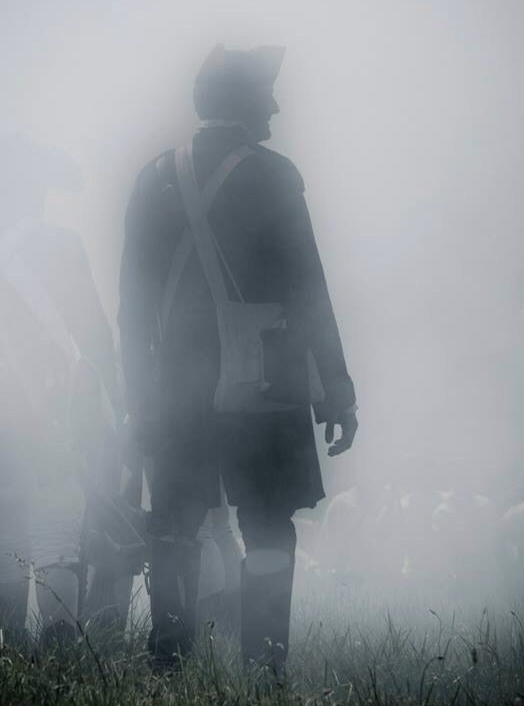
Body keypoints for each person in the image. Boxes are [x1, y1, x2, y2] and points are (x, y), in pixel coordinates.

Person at [119, 45, 357, 672]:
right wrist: (337, 390)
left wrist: (139, 399)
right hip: (265, 384)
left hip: (175, 390)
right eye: (266, 94)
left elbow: (132, 310)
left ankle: (167, 664)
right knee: (270, 529)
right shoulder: (275, 176)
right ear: (243, 103)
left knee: (172, 527)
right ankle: (264, 667)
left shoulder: (152, 179)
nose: (276, 107)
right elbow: (310, 290)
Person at [0, 137, 129, 641]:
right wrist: (117, 403)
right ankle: (59, 649)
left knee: (5, 538)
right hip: (53, 408)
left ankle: (11, 650)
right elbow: (94, 335)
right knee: (58, 534)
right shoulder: (60, 245)